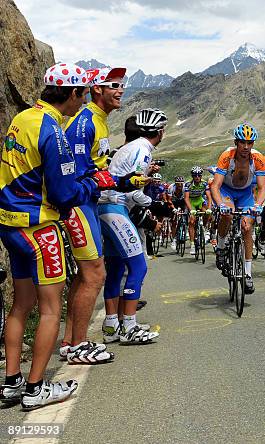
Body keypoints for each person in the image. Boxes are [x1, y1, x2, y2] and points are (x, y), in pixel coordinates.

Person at [0, 63, 112, 409]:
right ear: (75, 93)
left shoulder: (23, 118)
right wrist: (96, 182)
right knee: (50, 310)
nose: (82, 104)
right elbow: (65, 195)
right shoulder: (54, 131)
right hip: (40, 227)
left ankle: (11, 382)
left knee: (21, 305)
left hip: (9, 223)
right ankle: (36, 389)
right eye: (82, 95)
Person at [59, 66, 126, 364]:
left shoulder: (99, 121)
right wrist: (98, 180)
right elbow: (71, 172)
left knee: (84, 275)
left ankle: (70, 341)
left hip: (87, 203)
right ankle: (79, 346)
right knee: (95, 274)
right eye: (113, 84)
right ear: (96, 89)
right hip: (78, 204)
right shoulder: (85, 122)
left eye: (121, 84)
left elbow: (96, 166)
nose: (120, 89)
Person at [98, 108, 167, 344]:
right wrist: (155, 204)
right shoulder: (142, 150)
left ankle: (111, 327)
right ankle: (129, 326)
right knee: (138, 267)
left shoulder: (131, 146)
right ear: (159, 131)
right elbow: (134, 189)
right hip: (115, 207)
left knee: (116, 268)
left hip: (106, 208)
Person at [210, 124, 265, 294]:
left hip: (246, 194)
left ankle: (248, 274)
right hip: (227, 191)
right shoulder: (227, 156)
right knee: (227, 215)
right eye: (242, 142)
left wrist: (258, 206)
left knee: (247, 227)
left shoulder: (258, 159)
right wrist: (220, 204)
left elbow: (263, 188)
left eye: (250, 142)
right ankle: (220, 246)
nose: (246, 146)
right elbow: (215, 186)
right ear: (236, 142)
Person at [185, 166, 210, 255]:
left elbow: (209, 197)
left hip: (199, 200)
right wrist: (191, 210)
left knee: (207, 212)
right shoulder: (188, 184)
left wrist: (209, 208)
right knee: (192, 221)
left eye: (199, 175)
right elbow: (186, 198)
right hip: (191, 201)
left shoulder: (204, 183)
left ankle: (204, 228)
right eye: (195, 175)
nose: (197, 177)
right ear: (192, 176)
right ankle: (192, 244)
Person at [167, 176, 186, 251]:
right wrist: (173, 209)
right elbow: (169, 200)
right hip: (173, 202)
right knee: (174, 221)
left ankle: (184, 229)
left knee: (186, 215)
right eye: (178, 184)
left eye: (181, 184)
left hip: (182, 201)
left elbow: (187, 199)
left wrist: (186, 210)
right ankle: (174, 239)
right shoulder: (171, 187)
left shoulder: (185, 188)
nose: (180, 185)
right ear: (175, 183)